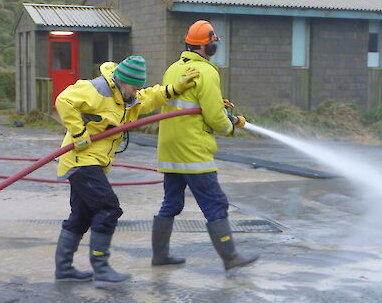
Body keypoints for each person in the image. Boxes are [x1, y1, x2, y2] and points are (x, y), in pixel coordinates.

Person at [54, 55, 199, 285]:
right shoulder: (96, 89)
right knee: (109, 208)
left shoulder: (126, 98)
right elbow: (64, 100)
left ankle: (64, 269)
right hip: (81, 160)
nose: (135, 93)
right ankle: (101, 269)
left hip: (93, 162)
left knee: (81, 216)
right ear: (122, 81)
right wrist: (79, 133)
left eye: (137, 88)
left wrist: (175, 88)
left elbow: (150, 97)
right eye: (133, 88)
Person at [153, 20, 260, 271]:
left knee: (171, 202)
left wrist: (215, 105)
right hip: (193, 151)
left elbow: (190, 103)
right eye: (214, 42)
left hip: (170, 150)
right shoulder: (208, 71)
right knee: (215, 203)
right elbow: (214, 118)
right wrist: (230, 127)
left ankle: (160, 255)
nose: (215, 46)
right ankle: (231, 257)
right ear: (207, 45)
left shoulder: (173, 69)